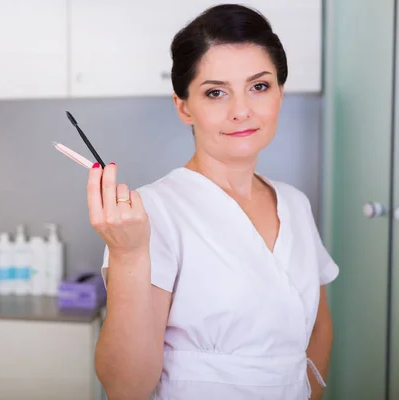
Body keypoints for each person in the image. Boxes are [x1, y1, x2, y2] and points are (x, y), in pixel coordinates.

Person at [87, 4, 338, 400]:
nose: (241, 111)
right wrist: (129, 256)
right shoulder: (153, 213)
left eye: (259, 86)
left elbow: (318, 327)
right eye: (216, 92)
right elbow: (125, 387)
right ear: (184, 106)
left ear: (279, 93)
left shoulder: (295, 204)